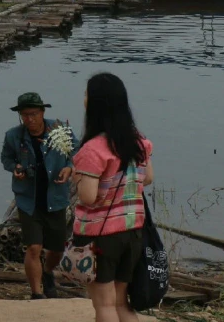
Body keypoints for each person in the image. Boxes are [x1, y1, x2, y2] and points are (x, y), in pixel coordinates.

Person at [71, 73, 154, 322]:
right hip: (133, 230)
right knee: (120, 301)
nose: (83, 99)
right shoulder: (138, 142)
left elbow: (87, 197)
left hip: (100, 235)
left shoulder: (93, 149)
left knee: (104, 304)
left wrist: (76, 176)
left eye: (86, 94)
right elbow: (147, 179)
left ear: (95, 103)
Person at [0, 93, 78, 300]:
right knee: (33, 247)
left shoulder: (61, 131)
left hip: (55, 198)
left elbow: (77, 155)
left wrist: (69, 169)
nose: (29, 119)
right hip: (28, 199)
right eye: (24, 115)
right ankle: (37, 294)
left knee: (56, 249)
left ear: (42, 112)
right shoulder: (13, 136)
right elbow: (6, 159)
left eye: (33, 114)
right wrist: (15, 167)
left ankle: (47, 271)